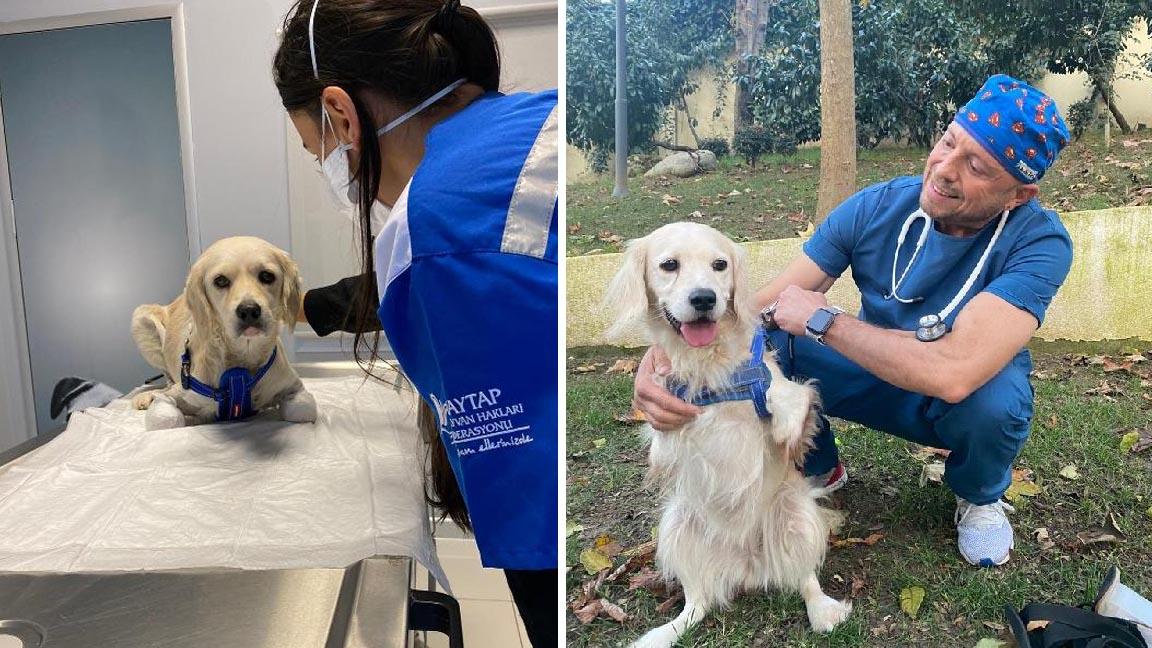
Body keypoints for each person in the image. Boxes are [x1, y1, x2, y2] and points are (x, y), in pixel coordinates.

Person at [633, 74, 1073, 568]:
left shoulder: (1039, 243)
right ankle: (819, 465)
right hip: (875, 374)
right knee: (781, 341)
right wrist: (662, 361)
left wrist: (825, 320)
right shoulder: (877, 206)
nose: (945, 170)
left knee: (996, 401)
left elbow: (955, 372)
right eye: (948, 142)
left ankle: (978, 495)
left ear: (1018, 194)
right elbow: (754, 313)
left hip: (954, 396)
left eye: (976, 166)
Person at [273, 1, 558, 644]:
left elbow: (531, 508)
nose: (329, 163)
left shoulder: (434, 230)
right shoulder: (533, 122)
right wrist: (309, 306)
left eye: (315, 145)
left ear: (341, 115)